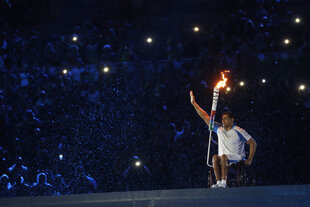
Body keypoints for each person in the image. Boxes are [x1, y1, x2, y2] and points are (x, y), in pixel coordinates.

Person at [190, 91, 257, 188]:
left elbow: (253, 143)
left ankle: (224, 182)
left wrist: (249, 160)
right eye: (222, 119)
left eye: (225, 118)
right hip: (223, 158)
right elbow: (206, 117)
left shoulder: (238, 130)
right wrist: (194, 104)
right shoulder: (219, 129)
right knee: (215, 157)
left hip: (237, 158)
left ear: (232, 120)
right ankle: (218, 182)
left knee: (224, 157)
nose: (223, 120)